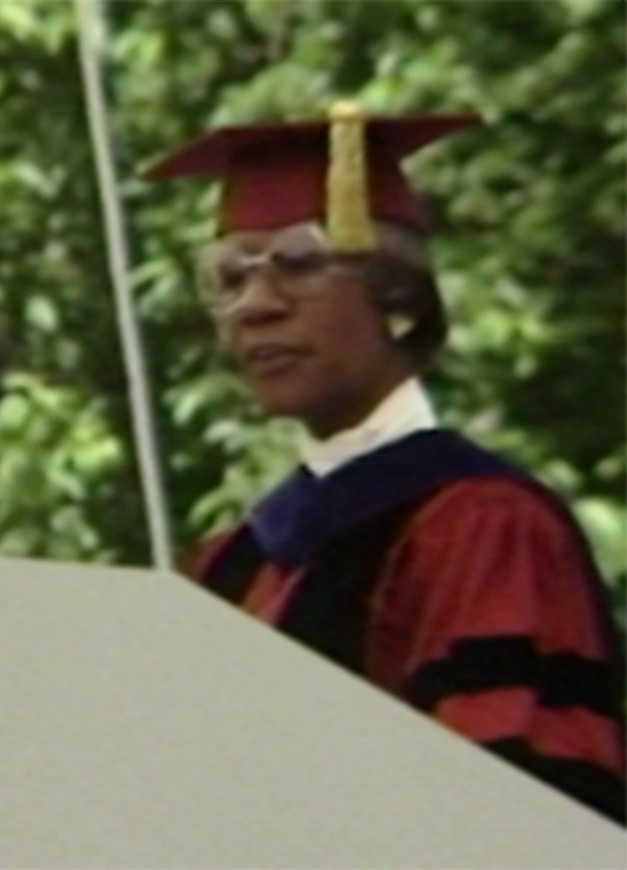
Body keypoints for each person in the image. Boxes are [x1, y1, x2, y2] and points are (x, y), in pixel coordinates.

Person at [146, 103, 626, 824]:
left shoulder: (484, 526)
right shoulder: (226, 564)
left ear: (399, 298)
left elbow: (522, 803)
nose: (254, 306)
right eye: (228, 276)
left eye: (299, 263)